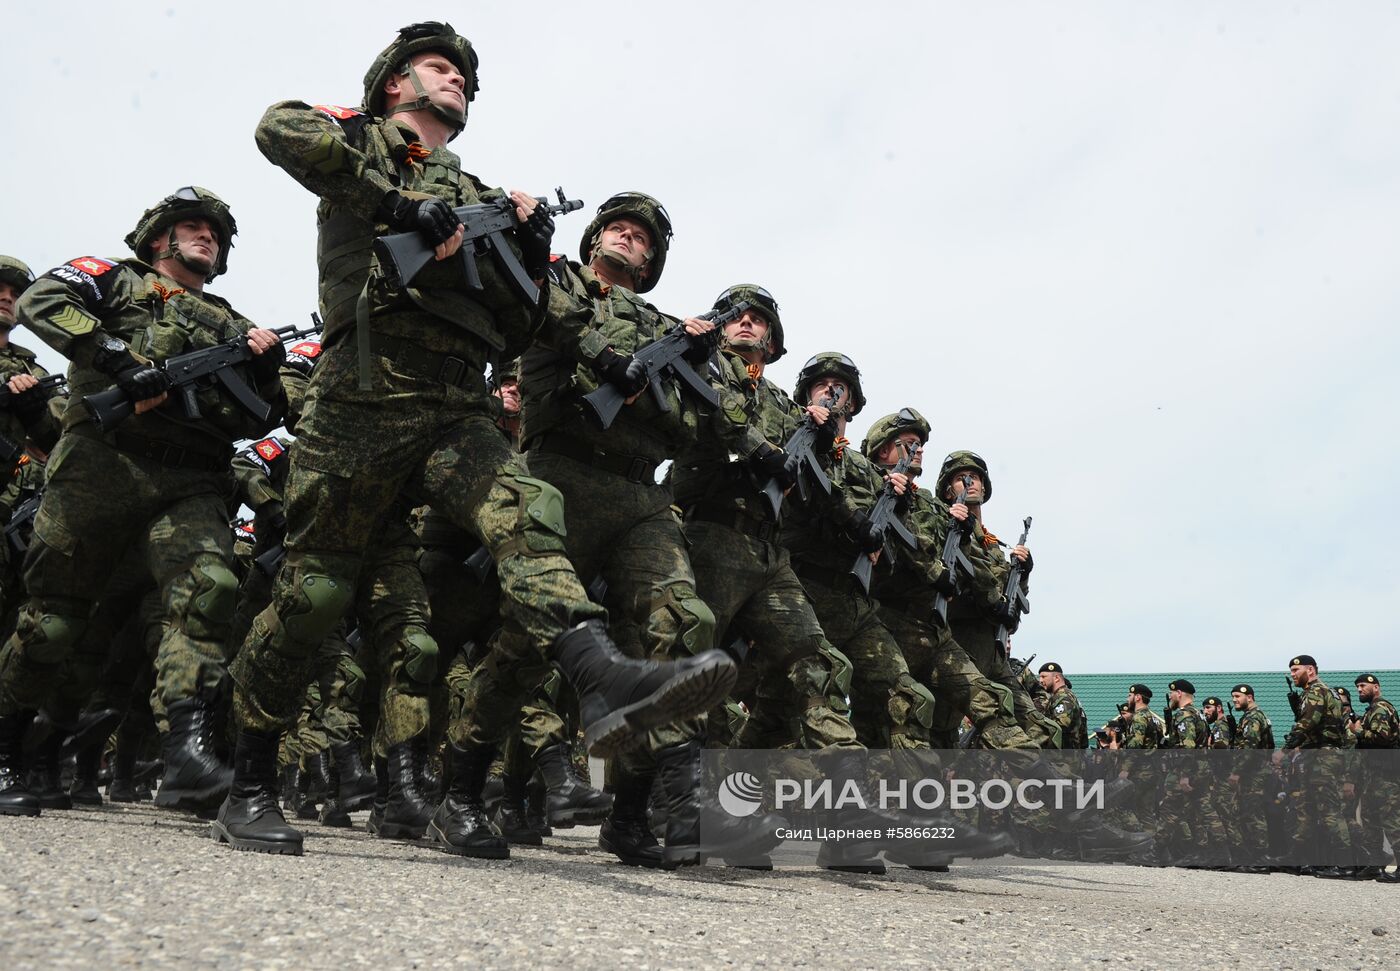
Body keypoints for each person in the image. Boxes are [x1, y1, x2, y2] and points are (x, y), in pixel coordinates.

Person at [229, 22, 734, 856]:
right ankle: (249, 775)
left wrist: (526, 253)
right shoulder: (360, 139)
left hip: (454, 404)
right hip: (361, 395)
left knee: (527, 509)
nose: (457, 80)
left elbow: (531, 323)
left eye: (464, 75)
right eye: (439, 67)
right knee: (315, 594)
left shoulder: (480, 190)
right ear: (394, 83)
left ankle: (600, 673)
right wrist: (402, 208)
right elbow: (278, 128)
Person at [0, 188, 286, 818]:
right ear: (160, 237)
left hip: (190, 479)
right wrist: (116, 358)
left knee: (208, 592)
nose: (206, 237)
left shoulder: (233, 324)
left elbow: (264, 415)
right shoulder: (114, 279)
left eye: (215, 233)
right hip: (103, 463)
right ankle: (12, 751)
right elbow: (44, 299)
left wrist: (266, 368)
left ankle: (188, 750)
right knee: (54, 619)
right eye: (192, 227)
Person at [1280, 655, 1351, 877]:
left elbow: (1307, 722)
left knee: (1329, 809)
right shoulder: (1313, 692)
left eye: (1296, 669)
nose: (1292, 674)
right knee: (1308, 809)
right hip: (1315, 755)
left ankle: (1345, 864)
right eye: (1291, 670)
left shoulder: (1317, 691)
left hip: (1324, 755)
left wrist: (1285, 749)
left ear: (1310, 670)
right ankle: (1302, 859)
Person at [1351, 674, 1400, 882]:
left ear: (1376, 688)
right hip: (1373, 774)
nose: (1359, 689)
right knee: (1370, 820)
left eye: (1363, 685)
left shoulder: (1381, 708)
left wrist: (1359, 731)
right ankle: (1375, 863)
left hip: (1386, 775)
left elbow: (1382, 737)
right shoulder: (1371, 710)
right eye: (1358, 687)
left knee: (1392, 820)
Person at [1226, 683, 1275, 873]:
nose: (1235, 700)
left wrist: (1237, 771)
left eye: (1238, 696)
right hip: (1253, 771)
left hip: (1253, 772)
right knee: (1247, 813)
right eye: (1233, 697)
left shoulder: (1253, 717)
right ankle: (1252, 857)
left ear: (1250, 697)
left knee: (1253, 814)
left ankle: (1261, 858)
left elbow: (1249, 747)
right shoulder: (1254, 716)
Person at [1038, 663, 1088, 750]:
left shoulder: (1063, 697)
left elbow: (1059, 727)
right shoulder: (1061, 696)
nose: (1040, 680)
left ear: (1057, 678)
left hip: (1064, 759)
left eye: (1044, 676)